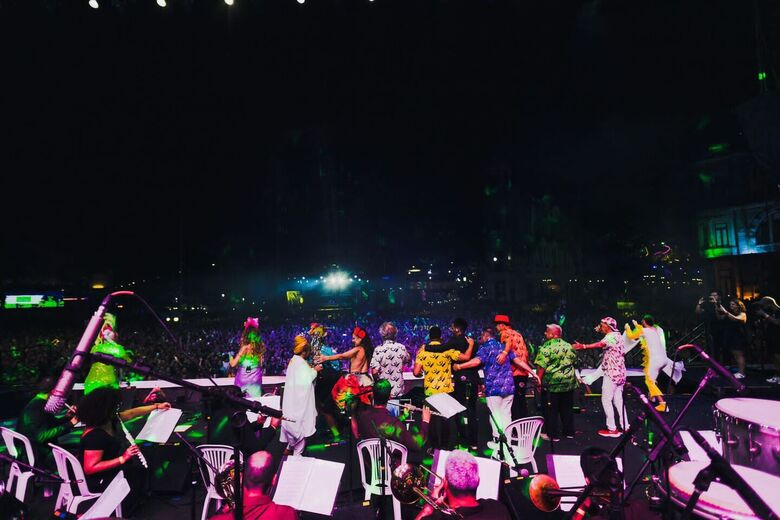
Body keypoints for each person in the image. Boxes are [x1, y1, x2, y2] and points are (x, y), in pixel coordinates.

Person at [78, 386, 171, 514]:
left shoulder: (108, 420)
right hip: (97, 480)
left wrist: (156, 406)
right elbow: (90, 467)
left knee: (138, 471)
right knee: (135, 473)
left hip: (108, 471)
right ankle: (123, 511)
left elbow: (131, 413)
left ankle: (132, 504)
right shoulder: (95, 436)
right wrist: (123, 458)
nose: (118, 408)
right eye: (115, 406)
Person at [453, 327, 539, 455]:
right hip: (509, 387)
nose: (481, 339)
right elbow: (518, 361)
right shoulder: (504, 347)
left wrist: (459, 366)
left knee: (495, 416)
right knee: (506, 415)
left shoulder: (486, 347)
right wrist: (533, 373)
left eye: (482, 337)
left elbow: (476, 361)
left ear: (487, 336)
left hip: (493, 388)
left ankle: (498, 442)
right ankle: (508, 442)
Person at [413, 326, 473, 450]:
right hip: (445, 390)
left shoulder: (423, 352)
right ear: (441, 337)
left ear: (429, 337)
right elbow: (466, 357)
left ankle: (434, 448)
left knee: (432, 421)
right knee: (445, 419)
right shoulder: (447, 350)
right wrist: (471, 345)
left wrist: (423, 372)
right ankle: (445, 448)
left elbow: (416, 372)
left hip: (431, 391)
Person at [415, 449, 511, 519]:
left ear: (445, 483)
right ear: (478, 481)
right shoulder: (499, 509)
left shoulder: (438, 518)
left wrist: (428, 507)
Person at [574, 318, 626, 437]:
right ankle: (625, 426)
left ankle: (612, 429)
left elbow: (601, 343)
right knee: (618, 400)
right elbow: (605, 337)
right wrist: (601, 329)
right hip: (620, 372)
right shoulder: (617, 335)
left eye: (602, 325)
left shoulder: (610, 337)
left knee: (606, 400)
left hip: (612, 373)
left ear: (608, 326)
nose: (600, 327)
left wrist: (583, 346)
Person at [209, 450, 298, 520]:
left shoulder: (220, 518)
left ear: (241, 476)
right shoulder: (287, 514)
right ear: (274, 479)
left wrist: (223, 512)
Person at [351, 379, 430, 456]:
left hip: (368, 465)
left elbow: (384, 424)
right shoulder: (393, 422)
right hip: (389, 466)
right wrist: (425, 421)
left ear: (372, 395)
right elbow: (417, 444)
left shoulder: (362, 417)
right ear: (390, 397)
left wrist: (404, 416)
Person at [16, 374, 79, 470]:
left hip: (39, 449)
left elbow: (50, 424)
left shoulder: (39, 403)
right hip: (39, 455)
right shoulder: (36, 408)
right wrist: (70, 424)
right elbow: (41, 436)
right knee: (80, 458)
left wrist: (67, 418)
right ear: (54, 392)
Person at [624, 315, 683, 412]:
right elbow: (643, 331)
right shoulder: (654, 330)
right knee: (653, 379)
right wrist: (636, 325)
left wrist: (627, 327)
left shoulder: (645, 331)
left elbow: (631, 336)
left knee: (649, 381)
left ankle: (662, 404)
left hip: (655, 360)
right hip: (663, 360)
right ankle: (652, 398)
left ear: (644, 321)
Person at [440, 318, 480, 450]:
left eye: (452, 327)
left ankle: (462, 441)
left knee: (460, 410)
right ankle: (473, 442)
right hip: (473, 379)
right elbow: (479, 361)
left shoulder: (453, 341)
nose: (451, 329)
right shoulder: (473, 342)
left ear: (457, 329)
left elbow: (443, 350)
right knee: (472, 411)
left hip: (460, 380)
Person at [534, 324, 578, 441]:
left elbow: (541, 366)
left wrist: (538, 381)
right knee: (567, 408)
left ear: (553, 334)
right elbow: (574, 361)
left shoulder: (546, 347)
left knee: (551, 410)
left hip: (552, 384)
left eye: (547, 331)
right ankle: (569, 432)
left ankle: (553, 435)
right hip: (568, 383)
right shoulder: (568, 346)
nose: (545, 333)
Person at [280, 335, 321, 455]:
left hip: (292, 401)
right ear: (304, 352)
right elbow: (306, 380)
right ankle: (296, 462)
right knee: (299, 432)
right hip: (299, 406)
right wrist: (315, 370)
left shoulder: (294, 361)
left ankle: (288, 450)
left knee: (292, 431)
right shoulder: (300, 363)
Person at [317, 326, 375, 410]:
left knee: (340, 403)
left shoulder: (358, 349)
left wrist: (326, 358)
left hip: (355, 381)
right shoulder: (368, 349)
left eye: (354, 338)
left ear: (360, 339)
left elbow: (342, 356)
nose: (352, 340)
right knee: (362, 408)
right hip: (366, 380)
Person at [494, 314, 533, 420]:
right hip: (523, 372)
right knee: (521, 401)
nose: (496, 327)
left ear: (502, 325)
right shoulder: (518, 334)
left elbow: (508, 344)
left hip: (513, 372)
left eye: (497, 325)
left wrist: (504, 353)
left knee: (513, 402)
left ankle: (515, 429)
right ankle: (524, 429)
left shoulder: (504, 333)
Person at [83, 313, 133, 395]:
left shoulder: (96, 347)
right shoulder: (115, 349)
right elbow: (126, 358)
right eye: (112, 332)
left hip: (92, 383)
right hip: (107, 384)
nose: (115, 334)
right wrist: (113, 343)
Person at [308, 323, 342, 438]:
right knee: (325, 408)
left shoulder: (309, 350)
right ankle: (334, 432)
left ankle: (324, 431)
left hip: (317, 381)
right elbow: (337, 366)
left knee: (320, 408)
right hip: (326, 382)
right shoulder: (327, 350)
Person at [370, 322, 410, 403]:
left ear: (382, 334)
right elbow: (407, 359)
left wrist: (378, 383)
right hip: (397, 390)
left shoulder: (378, 350)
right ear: (395, 334)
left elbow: (374, 372)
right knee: (396, 414)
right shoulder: (402, 348)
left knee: (382, 414)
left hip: (383, 391)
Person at [229, 317, 266, 398]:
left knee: (242, 402)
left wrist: (230, 357)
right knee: (255, 403)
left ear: (246, 336)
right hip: (255, 379)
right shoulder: (260, 348)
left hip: (243, 380)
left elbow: (233, 364)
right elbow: (261, 364)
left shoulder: (244, 348)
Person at [719, 298, 748, 379]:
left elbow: (735, 319)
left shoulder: (743, 314)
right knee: (735, 355)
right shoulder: (730, 313)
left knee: (739, 355)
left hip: (739, 337)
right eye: (730, 304)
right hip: (731, 337)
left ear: (738, 306)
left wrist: (725, 311)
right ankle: (740, 371)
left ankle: (742, 373)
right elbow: (720, 318)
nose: (731, 306)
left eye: (733, 304)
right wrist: (716, 305)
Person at [696, 291, 726, 363]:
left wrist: (716, 303)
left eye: (715, 295)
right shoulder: (708, 306)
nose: (713, 297)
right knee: (712, 349)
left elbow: (720, 318)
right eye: (711, 295)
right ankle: (714, 366)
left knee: (722, 349)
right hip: (711, 330)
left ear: (719, 296)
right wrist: (699, 304)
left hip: (722, 330)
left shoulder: (722, 304)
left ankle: (724, 366)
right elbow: (698, 312)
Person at [757, 296, 780, 384]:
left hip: (778, 337)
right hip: (771, 337)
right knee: (774, 356)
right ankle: (777, 375)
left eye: (764, 305)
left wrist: (764, 314)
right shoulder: (771, 312)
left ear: (769, 304)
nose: (763, 307)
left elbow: (777, 322)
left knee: (778, 356)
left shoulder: (779, 311)